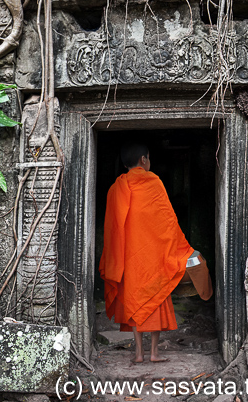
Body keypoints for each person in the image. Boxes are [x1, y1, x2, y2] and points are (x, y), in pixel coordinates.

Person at [99, 144, 193, 364]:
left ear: (125, 164)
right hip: (153, 258)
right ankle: (154, 353)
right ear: (143, 160)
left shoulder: (115, 189)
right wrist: (181, 248)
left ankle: (139, 354)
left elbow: (112, 229)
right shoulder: (153, 182)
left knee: (134, 301)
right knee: (156, 298)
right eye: (149, 158)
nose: (149, 162)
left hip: (129, 259)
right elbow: (167, 222)